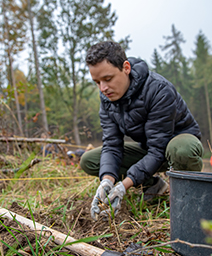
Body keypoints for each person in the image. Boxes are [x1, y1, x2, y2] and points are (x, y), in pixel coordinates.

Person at [80, 41, 204, 220]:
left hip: (177, 146)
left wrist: (124, 186)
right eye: (97, 82)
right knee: (90, 160)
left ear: (126, 68)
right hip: (150, 149)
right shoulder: (107, 99)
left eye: (108, 79)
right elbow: (112, 145)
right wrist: (107, 182)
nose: (103, 88)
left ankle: (188, 199)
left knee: (181, 150)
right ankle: (153, 186)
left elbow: (159, 149)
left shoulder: (159, 90)